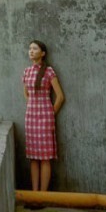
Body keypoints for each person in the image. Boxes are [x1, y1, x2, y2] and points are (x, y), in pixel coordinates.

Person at [22, 40, 65, 191]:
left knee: (45, 157)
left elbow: (60, 97)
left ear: (43, 53)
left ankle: (43, 196)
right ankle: (34, 195)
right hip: (31, 117)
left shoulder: (49, 71)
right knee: (33, 157)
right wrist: (33, 105)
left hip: (45, 118)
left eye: (35, 48)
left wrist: (49, 113)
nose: (31, 51)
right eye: (30, 48)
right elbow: (26, 93)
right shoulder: (27, 71)